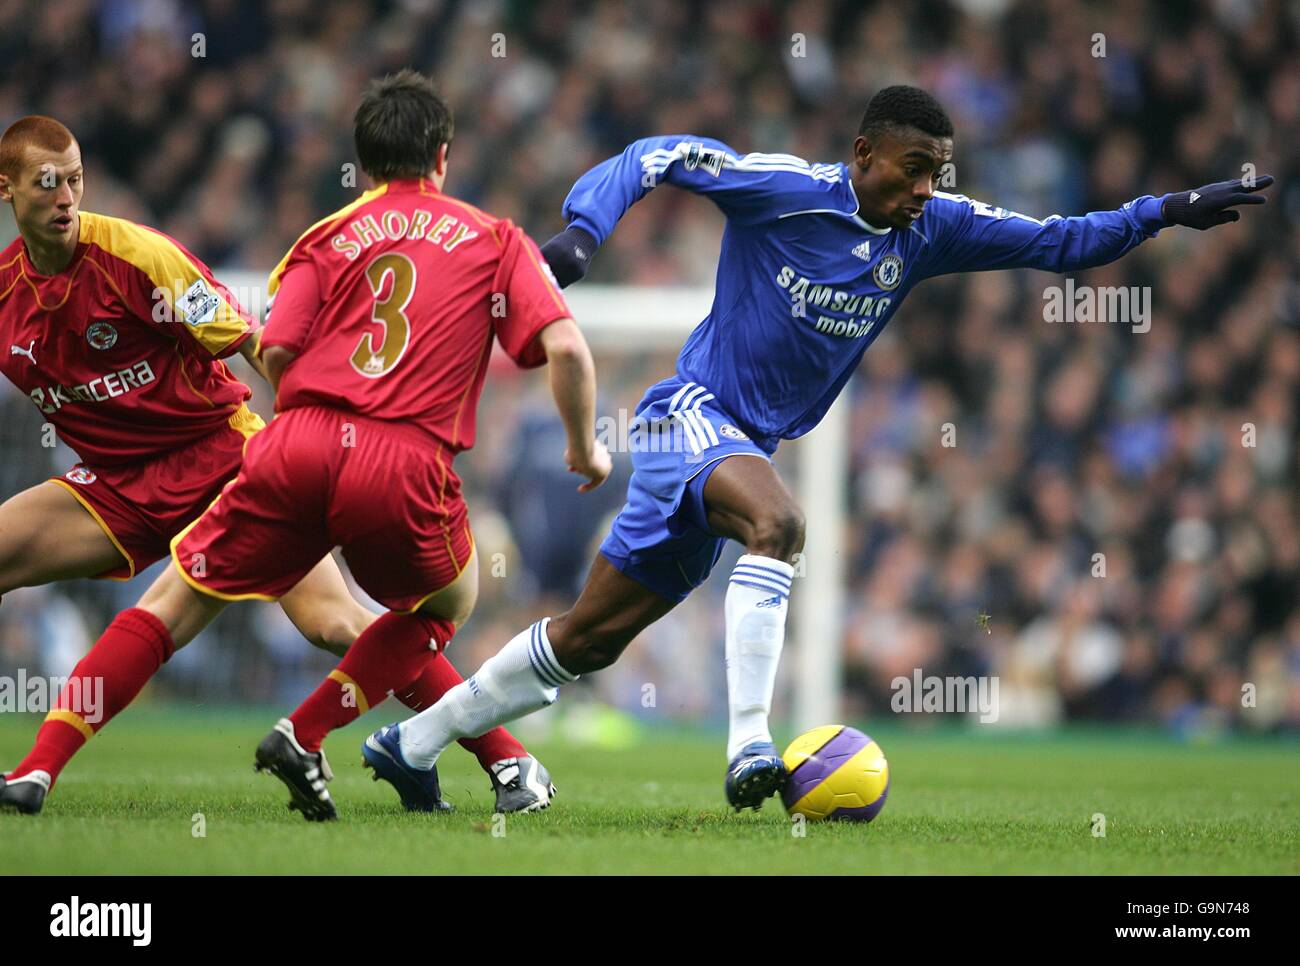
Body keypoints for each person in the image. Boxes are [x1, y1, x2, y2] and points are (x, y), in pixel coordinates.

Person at [364, 84, 1273, 811]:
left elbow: (1062, 241)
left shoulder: (932, 230)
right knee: (782, 524)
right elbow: (657, 154)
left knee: (587, 641)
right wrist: (584, 232)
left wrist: (1168, 208)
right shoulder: (786, 189)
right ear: (863, 154)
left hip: (738, 442)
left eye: (939, 173)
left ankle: (411, 744)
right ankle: (751, 745)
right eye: (913, 168)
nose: (925, 188)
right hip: (684, 410)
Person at [0, 107, 555, 817]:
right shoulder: (7, 294)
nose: (66, 197)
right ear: (8, 188)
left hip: (221, 458)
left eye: (75, 180)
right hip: (113, 485)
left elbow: (257, 344)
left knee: (336, 624)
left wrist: (309, 440)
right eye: (47, 183)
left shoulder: (139, 259)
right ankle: (34, 774)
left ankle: (505, 755)